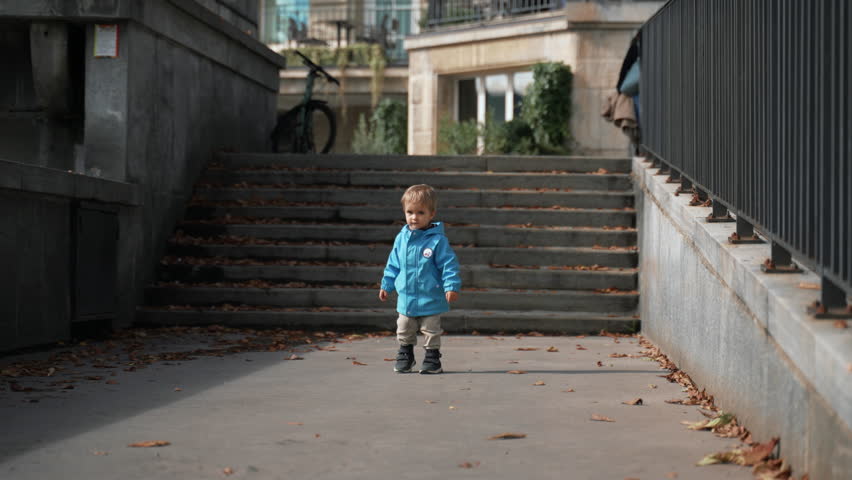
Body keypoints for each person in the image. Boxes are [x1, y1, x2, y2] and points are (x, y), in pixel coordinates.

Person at [379, 184, 461, 374]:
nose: (414, 217)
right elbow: (393, 264)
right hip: (406, 296)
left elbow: (448, 265)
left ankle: (432, 358)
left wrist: (451, 286)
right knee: (404, 327)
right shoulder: (401, 238)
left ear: (431, 214)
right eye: (410, 212)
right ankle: (405, 354)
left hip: (430, 295)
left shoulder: (438, 241)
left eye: (420, 212)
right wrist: (386, 284)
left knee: (431, 329)